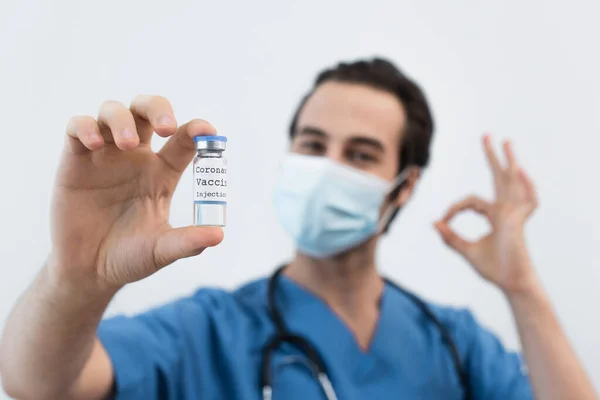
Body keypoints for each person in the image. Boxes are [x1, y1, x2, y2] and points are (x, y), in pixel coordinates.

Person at [0, 58, 596, 400]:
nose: (326, 170)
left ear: (404, 187)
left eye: (360, 155)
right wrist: (76, 280)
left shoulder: (455, 343)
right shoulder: (208, 333)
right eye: (312, 146)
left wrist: (522, 287)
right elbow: (37, 385)